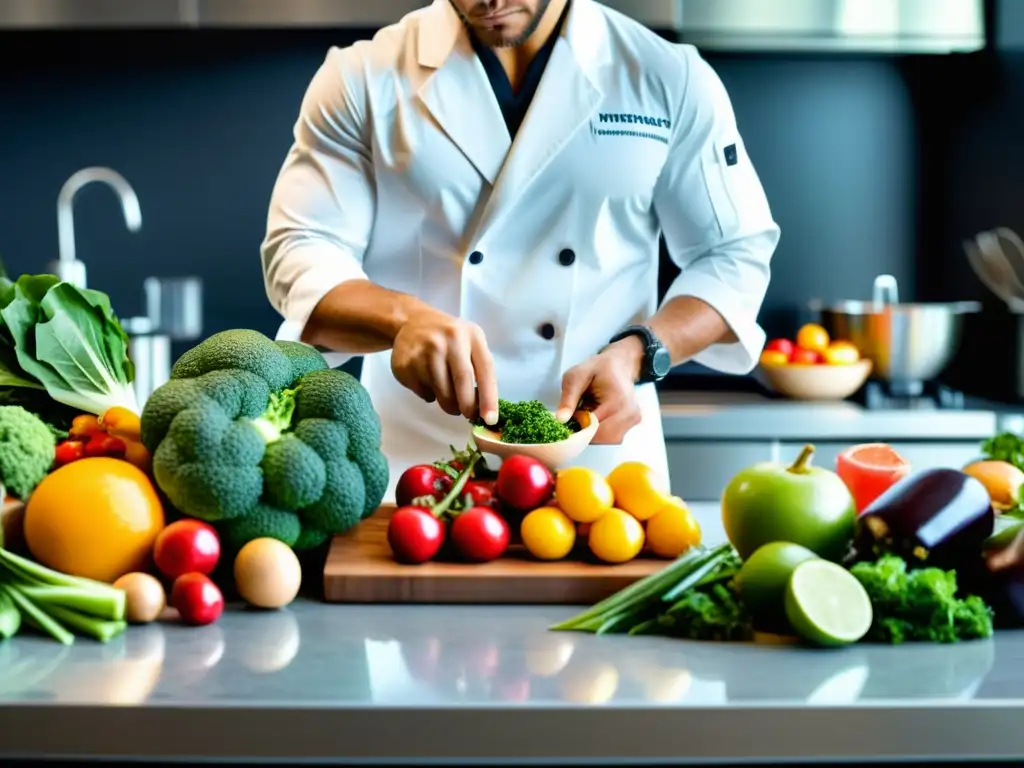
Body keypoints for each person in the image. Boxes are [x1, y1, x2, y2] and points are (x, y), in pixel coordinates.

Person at [261, 0, 780, 500]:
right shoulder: (361, 77)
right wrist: (403, 319)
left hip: (601, 469)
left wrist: (639, 353)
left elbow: (733, 255)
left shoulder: (667, 76)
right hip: (415, 467)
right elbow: (299, 249)